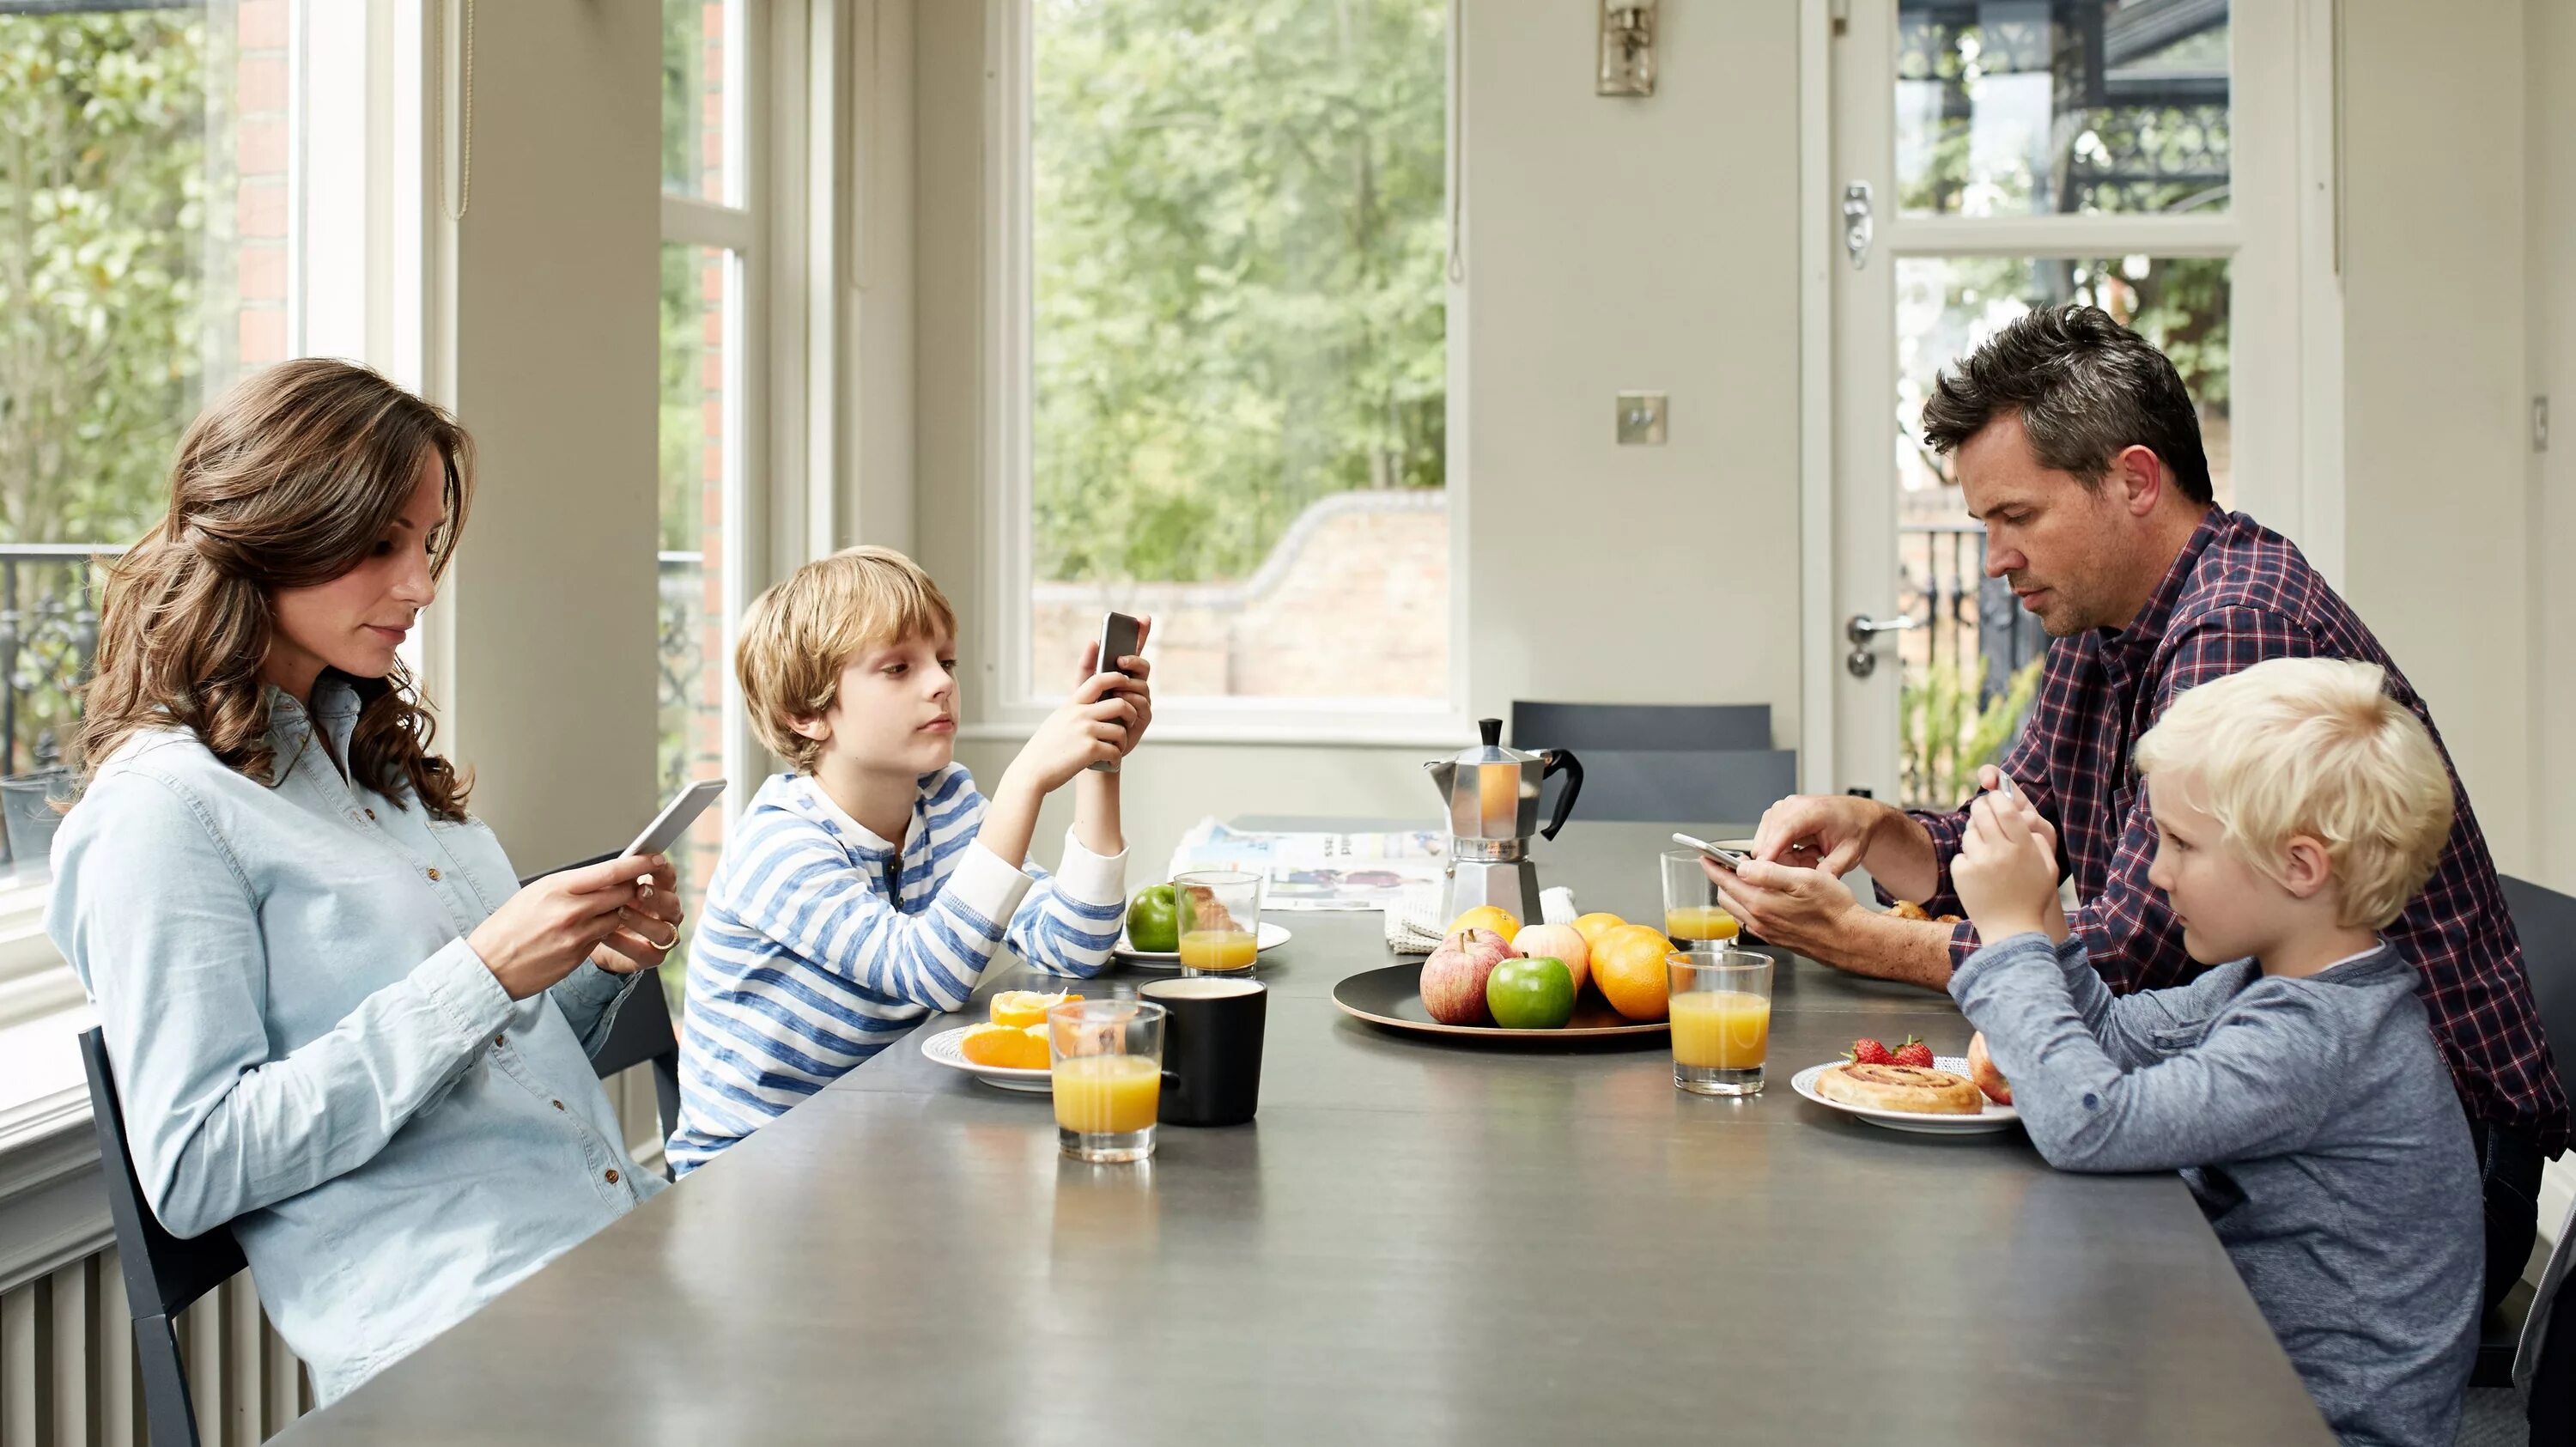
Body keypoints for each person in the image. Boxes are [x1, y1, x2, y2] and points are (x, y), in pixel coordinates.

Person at [1709, 305, 2565, 1311]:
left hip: (2414, 1177)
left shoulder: (2237, 625)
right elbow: (2013, 836)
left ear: (2134, 481)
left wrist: (1862, 939)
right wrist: (1880, 833)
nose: (1993, 558)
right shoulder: (2103, 615)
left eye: (2016, 517)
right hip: (2252, 1091)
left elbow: (2142, 952)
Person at [47, 360, 686, 1403]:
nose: (422, 586)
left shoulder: (374, 764)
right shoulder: (165, 811)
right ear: (271, 530)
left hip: (607, 1260)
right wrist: (481, 970)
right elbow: (198, 1165)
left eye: (426, 543)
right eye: (381, 542)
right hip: (462, 1346)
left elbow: (487, 1061)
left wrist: (594, 963)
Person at [1947, 656, 2480, 1446]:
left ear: (2300, 865)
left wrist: (2009, 939)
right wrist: (2046, 919)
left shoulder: (2319, 1038)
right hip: (2233, 1375)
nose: (2156, 873)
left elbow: (2091, 1124)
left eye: (2181, 843)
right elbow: (2117, 1040)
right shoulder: (2270, 980)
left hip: (2315, 1424)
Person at [664, 548, 1149, 1174]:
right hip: (754, 1179)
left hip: (881, 1145)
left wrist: (1099, 763)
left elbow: (1075, 946)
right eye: (898, 667)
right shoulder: (779, 847)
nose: (942, 681)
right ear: (806, 714)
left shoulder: (943, 803)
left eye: (945, 660)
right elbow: (930, 971)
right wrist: (1025, 778)